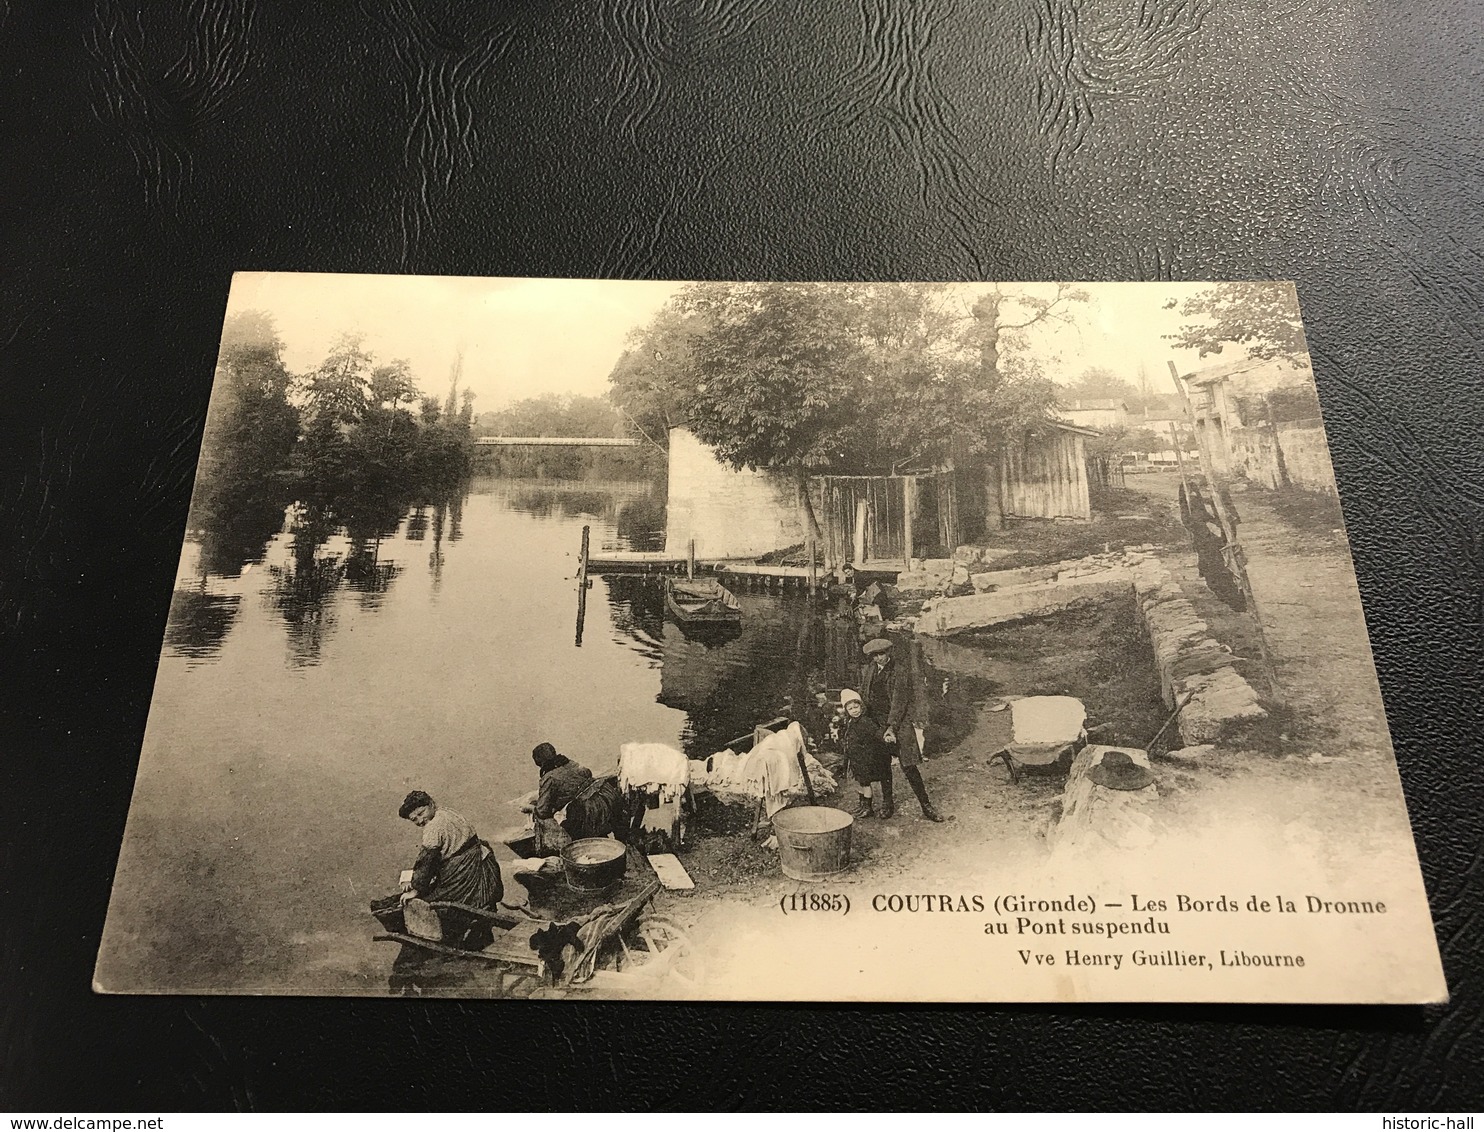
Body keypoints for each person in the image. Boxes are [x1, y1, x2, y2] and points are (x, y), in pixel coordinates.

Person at [859, 636, 946, 822]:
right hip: (877, 723)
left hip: (898, 722)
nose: (878, 658)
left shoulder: (899, 671)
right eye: (874, 655)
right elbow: (864, 694)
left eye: (881, 654)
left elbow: (899, 701)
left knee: (909, 765)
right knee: (883, 766)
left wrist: (891, 727)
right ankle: (887, 804)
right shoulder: (871, 670)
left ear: (889, 653)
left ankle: (926, 806)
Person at [395, 790, 504, 911]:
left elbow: (427, 863)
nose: (420, 820)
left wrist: (416, 889)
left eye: (421, 813)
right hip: (479, 861)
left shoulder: (433, 827)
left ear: (431, 804)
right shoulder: (446, 812)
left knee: (432, 901)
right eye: (414, 819)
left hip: (466, 872)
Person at [522, 742, 625, 854]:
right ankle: (609, 843)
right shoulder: (571, 763)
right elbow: (587, 773)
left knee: (573, 824)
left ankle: (587, 852)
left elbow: (542, 811)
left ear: (539, 762)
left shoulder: (549, 778)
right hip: (608, 795)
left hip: (591, 810)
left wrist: (530, 807)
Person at [838, 689, 890, 819]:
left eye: (856, 707)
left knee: (866, 783)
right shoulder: (850, 722)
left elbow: (877, 733)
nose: (854, 710)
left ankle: (868, 807)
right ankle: (862, 804)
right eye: (850, 708)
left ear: (861, 706)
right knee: (859, 782)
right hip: (856, 759)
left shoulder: (865, 721)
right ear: (847, 711)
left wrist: (885, 737)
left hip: (866, 759)